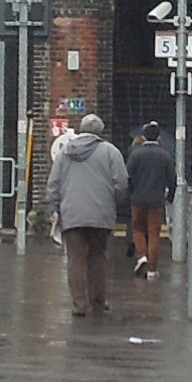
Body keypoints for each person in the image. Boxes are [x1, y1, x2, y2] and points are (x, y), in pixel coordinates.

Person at [49, 111, 128, 318]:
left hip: (72, 213)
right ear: (100, 131)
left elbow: (54, 183)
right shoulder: (111, 152)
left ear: (81, 129)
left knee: (75, 259)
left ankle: (79, 304)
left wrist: (55, 207)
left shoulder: (65, 152)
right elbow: (121, 183)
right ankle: (98, 301)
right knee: (98, 257)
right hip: (101, 213)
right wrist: (111, 201)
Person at [124, 122, 177, 279]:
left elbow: (128, 176)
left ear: (143, 136)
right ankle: (152, 270)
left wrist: (130, 193)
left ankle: (142, 256)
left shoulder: (135, 154)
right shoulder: (165, 155)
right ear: (159, 137)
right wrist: (170, 197)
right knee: (154, 234)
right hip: (157, 201)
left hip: (138, 199)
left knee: (138, 229)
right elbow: (172, 179)